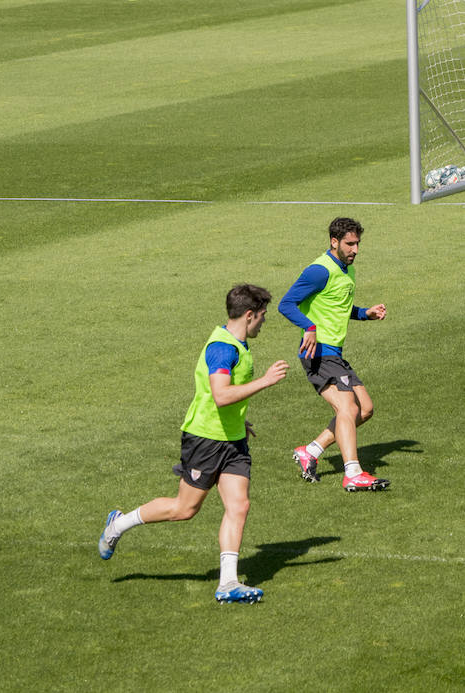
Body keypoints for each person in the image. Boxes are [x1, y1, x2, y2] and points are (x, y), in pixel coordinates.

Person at [98, 284, 288, 604]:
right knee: (184, 509)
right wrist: (265, 381)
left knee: (239, 505)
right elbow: (220, 394)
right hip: (206, 441)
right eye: (263, 317)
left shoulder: (237, 344)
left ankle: (228, 582)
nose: (264, 323)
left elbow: (223, 398)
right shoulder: (222, 349)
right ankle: (119, 524)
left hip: (233, 441)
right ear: (249, 315)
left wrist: (239, 421)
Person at [280, 217, 390, 492]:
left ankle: (311, 451)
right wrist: (309, 327)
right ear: (334, 242)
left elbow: (340, 306)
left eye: (357, 244)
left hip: (334, 353)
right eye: (350, 244)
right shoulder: (320, 270)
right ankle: (352, 472)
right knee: (347, 408)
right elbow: (286, 304)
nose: (355, 250)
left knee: (364, 409)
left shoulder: (347, 271)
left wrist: (365, 314)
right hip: (318, 352)